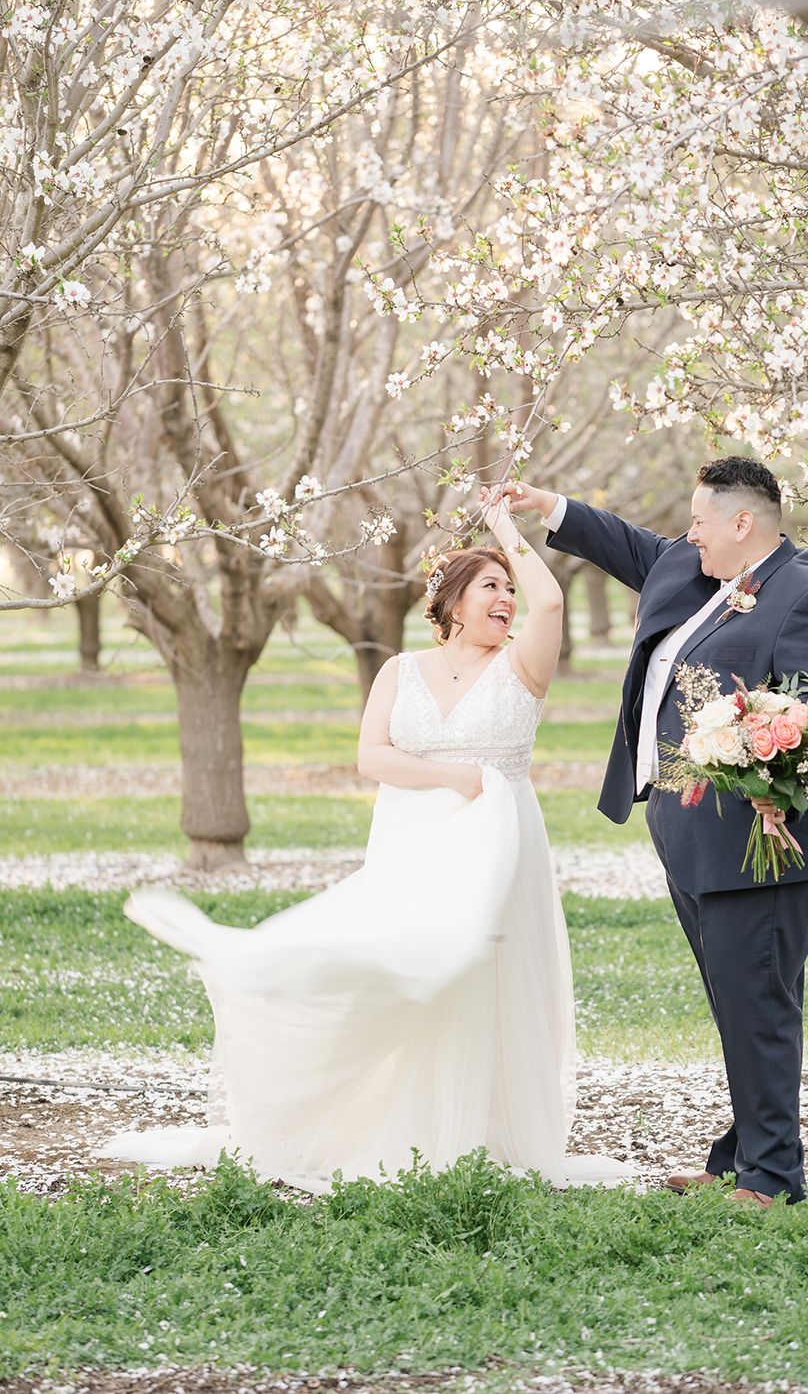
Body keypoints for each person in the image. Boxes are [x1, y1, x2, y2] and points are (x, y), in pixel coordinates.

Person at [100, 495, 633, 1192]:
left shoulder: (522, 668)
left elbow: (552, 605)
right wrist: (457, 778)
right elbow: (372, 757)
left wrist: (505, 528)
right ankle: (392, 1126)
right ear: (452, 602)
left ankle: (475, 1135)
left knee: (479, 981)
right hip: (413, 849)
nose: (506, 599)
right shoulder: (399, 672)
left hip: (499, 851)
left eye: (509, 588)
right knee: (398, 978)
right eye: (489, 587)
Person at [503, 455, 808, 1208]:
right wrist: (550, 506)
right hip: (695, 835)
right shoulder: (697, 569)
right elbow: (632, 546)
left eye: (701, 520)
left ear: (744, 523)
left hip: (766, 841)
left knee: (757, 1002)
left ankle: (772, 1178)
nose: (687, 532)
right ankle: (742, 1156)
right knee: (743, 999)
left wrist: (772, 791)